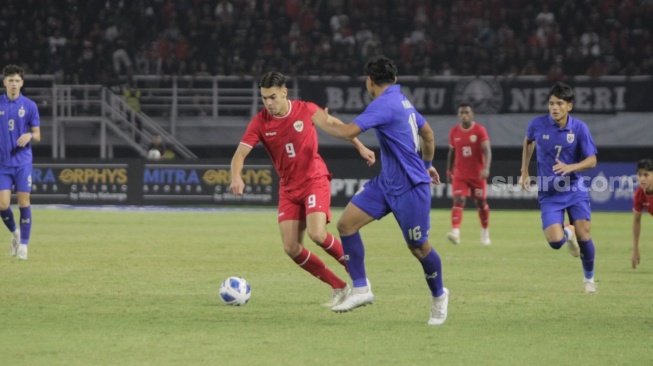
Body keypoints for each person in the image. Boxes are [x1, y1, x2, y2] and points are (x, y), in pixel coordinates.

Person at [311, 55, 449, 325]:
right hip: (387, 183)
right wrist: (428, 164)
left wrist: (320, 121)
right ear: (394, 79)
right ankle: (361, 289)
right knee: (347, 225)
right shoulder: (403, 101)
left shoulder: (384, 104)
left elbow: (347, 131)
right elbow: (429, 134)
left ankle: (439, 296)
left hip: (411, 187)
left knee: (419, 249)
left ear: (369, 81)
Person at [229, 71, 375, 307]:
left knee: (317, 234)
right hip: (288, 188)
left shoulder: (305, 110)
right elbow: (239, 155)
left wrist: (359, 146)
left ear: (284, 93)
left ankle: (360, 281)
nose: (269, 103)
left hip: (314, 179)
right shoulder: (260, 122)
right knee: (291, 248)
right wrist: (236, 175)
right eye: (264, 98)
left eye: (273, 97)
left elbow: (335, 124)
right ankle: (339, 287)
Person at [519, 81, 598, 294]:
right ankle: (566, 233)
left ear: (569, 106)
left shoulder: (580, 128)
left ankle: (589, 279)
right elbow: (528, 142)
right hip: (549, 192)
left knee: (584, 234)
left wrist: (571, 167)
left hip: (574, 189)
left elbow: (592, 160)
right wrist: (524, 171)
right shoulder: (538, 124)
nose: (554, 107)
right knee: (555, 242)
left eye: (559, 103)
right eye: (551, 103)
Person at [0, 64, 41, 260]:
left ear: (22, 83)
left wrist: (29, 136)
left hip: (23, 162)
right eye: (10, 80)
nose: (14, 84)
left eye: (17, 80)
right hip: (2, 164)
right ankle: (15, 232)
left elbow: (38, 135)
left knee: (24, 201)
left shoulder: (30, 106)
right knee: (2, 204)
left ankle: (24, 245)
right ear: (4, 82)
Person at [446, 103, 492, 246]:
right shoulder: (454, 131)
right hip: (460, 174)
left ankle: (485, 231)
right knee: (459, 199)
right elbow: (452, 152)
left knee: (481, 202)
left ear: (472, 114)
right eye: (462, 113)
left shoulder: (479, 130)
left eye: (467, 112)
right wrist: (449, 170)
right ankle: (455, 232)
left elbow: (487, 150)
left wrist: (486, 168)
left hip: (477, 175)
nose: (464, 115)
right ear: (458, 115)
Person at [632, 159, 653, 269]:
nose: (642, 179)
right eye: (640, 175)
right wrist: (635, 249)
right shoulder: (639, 194)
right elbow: (636, 220)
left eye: (646, 175)